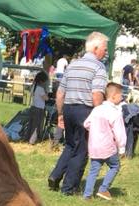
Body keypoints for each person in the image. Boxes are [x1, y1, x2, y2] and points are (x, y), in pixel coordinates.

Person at [47, 32, 109, 196]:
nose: (106, 52)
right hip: (86, 111)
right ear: (95, 48)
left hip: (68, 108)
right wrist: (100, 117)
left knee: (70, 145)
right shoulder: (99, 67)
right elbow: (97, 95)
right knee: (81, 150)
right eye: (104, 49)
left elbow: (60, 93)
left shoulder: (73, 65)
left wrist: (60, 114)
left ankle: (55, 175)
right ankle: (69, 188)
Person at [82, 82, 126, 200]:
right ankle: (103, 189)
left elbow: (86, 124)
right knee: (115, 166)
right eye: (121, 95)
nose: (122, 97)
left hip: (94, 146)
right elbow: (120, 132)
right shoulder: (115, 113)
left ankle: (87, 195)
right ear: (114, 96)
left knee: (93, 171)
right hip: (107, 146)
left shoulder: (97, 109)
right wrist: (122, 148)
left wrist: (96, 130)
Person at [26, 70, 49, 144]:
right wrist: (46, 93)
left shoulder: (34, 87)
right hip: (39, 109)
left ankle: (27, 138)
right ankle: (32, 141)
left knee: (31, 124)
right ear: (42, 81)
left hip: (33, 107)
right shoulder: (41, 89)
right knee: (36, 126)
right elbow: (46, 98)